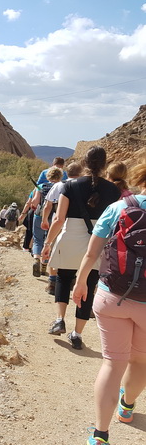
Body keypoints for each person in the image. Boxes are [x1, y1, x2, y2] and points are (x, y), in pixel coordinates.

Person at [72, 160, 146, 445]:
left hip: (111, 296)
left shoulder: (118, 207)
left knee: (113, 364)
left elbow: (92, 253)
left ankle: (100, 435)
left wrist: (80, 283)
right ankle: (127, 406)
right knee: (140, 360)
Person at [42, 146, 120, 350]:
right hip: (98, 240)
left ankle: (59, 319)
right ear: (105, 165)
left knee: (63, 277)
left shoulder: (70, 185)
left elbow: (58, 219)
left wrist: (48, 243)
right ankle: (77, 334)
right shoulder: (113, 190)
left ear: (84, 163)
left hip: (71, 237)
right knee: (89, 283)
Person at [40, 162, 83, 295]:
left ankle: (52, 282)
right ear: (80, 173)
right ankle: (72, 279)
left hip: (58, 221)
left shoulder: (59, 185)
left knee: (53, 249)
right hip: (78, 224)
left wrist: (44, 220)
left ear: (67, 173)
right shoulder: (84, 186)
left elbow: (48, 205)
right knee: (77, 251)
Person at [30, 167, 62, 277]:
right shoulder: (61, 187)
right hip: (53, 216)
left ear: (48, 176)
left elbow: (34, 202)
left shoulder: (41, 187)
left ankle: (36, 260)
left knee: (37, 239)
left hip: (39, 215)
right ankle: (44, 266)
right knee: (49, 242)